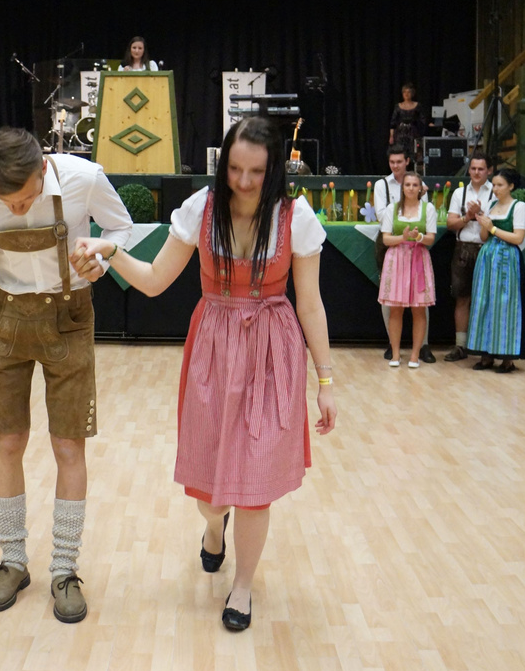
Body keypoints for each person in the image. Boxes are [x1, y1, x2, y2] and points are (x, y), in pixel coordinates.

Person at [72, 116, 337, 632]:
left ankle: (243, 586)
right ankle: (215, 528)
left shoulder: (295, 217)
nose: (244, 181)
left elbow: (311, 304)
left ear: (274, 169)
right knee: (211, 496)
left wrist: (326, 382)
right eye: (235, 169)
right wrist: (112, 252)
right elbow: (154, 281)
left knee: (256, 484)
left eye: (256, 171)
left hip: (272, 352)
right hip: (214, 349)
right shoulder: (202, 208)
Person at [0, 128, 132, 624]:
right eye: (6, 202)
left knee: (68, 445)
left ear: (43, 170)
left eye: (25, 199)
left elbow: (123, 228)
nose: (16, 210)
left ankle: (64, 568)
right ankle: (12, 561)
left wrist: (102, 256)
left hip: (69, 317)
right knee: (8, 441)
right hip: (3, 318)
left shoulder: (84, 177)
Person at [373, 145, 435, 363]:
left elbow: (430, 234)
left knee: (419, 305)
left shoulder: (426, 206)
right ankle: (394, 349)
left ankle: (420, 349)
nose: (395, 165)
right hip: (395, 255)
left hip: (417, 256)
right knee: (393, 303)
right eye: (392, 162)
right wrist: (403, 236)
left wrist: (418, 237)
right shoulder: (384, 189)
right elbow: (383, 222)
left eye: (399, 161)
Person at [467, 165, 525, 372]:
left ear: (511, 186)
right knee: (484, 301)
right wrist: (483, 225)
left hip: (507, 259)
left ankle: (507, 358)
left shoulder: (519, 207)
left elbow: (518, 238)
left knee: (505, 303)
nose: (495, 189)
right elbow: (484, 237)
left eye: (500, 185)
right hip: (488, 258)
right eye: (493, 185)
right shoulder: (491, 205)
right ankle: (486, 354)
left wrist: (492, 227)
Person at [444, 151, 493, 361]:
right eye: (473, 168)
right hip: (463, 248)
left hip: (488, 248)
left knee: (487, 299)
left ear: (489, 170)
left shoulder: (495, 192)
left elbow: (498, 223)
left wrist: (480, 215)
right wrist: (468, 217)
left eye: (481, 169)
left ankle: (486, 347)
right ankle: (460, 346)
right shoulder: (459, 193)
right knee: (462, 298)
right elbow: (450, 224)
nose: (476, 172)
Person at [389, 82, 427, 160]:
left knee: (414, 153)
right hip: (400, 134)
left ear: (412, 93)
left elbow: (423, 120)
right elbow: (393, 123)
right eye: (404, 92)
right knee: (400, 153)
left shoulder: (417, 105)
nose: (406, 94)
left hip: (413, 133)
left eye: (408, 92)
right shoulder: (398, 106)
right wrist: (391, 136)